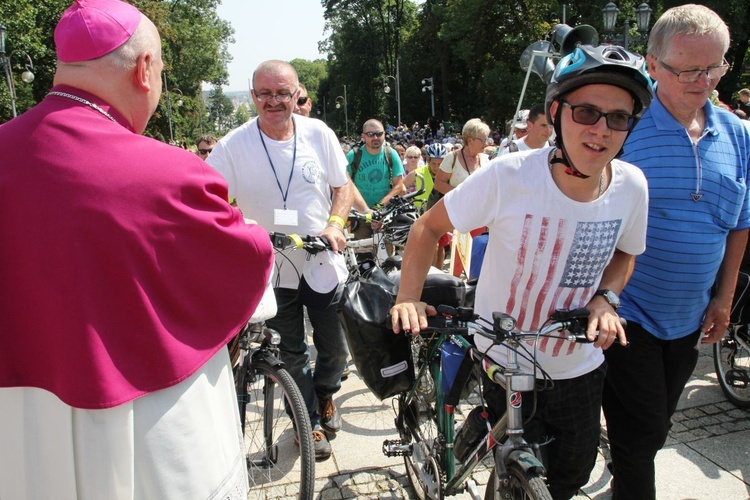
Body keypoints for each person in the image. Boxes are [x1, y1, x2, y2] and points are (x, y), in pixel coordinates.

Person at [0, 1, 274, 498]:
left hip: (18, 433)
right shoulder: (171, 174)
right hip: (150, 432)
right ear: (146, 69)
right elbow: (246, 259)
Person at [391, 43, 654, 500]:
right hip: (504, 358)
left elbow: (625, 256)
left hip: (579, 365)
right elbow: (427, 227)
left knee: (569, 479)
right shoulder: (509, 176)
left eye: (619, 117)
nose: (601, 130)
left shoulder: (632, 186)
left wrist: (605, 299)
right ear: (555, 112)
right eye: (587, 112)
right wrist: (408, 298)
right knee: (514, 467)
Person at [600, 5, 750, 500]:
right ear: (652, 64)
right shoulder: (623, 130)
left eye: (713, 68)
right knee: (642, 438)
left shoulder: (738, 135)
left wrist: (724, 298)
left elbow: (740, 224)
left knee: (655, 427)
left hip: (690, 318)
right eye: (686, 69)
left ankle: (624, 469)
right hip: (629, 313)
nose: (701, 80)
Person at [207, 60, 354, 461]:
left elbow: (341, 187)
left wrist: (337, 222)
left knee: (336, 351)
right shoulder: (232, 146)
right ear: (253, 95)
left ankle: (325, 394)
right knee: (290, 353)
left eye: (283, 93)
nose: (274, 101)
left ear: (296, 94)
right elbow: (208, 199)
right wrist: (238, 231)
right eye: (265, 93)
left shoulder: (318, 133)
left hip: (321, 260)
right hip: (271, 267)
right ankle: (308, 424)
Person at [433, 118, 491, 277]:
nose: (486, 142)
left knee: (476, 251)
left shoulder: (485, 159)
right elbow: (439, 184)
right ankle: (455, 286)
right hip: (456, 213)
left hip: (479, 215)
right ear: (470, 139)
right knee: (458, 252)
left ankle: (473, 285)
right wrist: (462, 194)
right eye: (482, 139)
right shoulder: (451, 158)